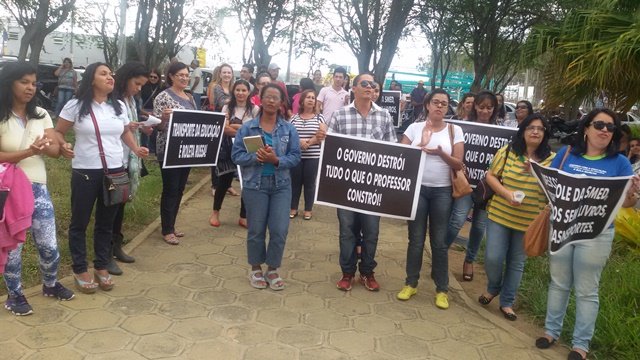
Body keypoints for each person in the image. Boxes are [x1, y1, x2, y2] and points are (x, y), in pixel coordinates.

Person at [535, 109, 639, 360]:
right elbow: (551, 187)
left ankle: (580, 345)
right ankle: (551, 331)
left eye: (611, 127)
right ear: (586, 128)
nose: (605, 130)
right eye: (599, 125)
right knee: (558, 282)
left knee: (586, 290)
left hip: (597, 235)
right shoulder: (567, 153)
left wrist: (631, 195)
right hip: (563, 227)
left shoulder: (620, 163)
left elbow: (623, 204)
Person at [55, 62, 149, 293]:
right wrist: (63, 144)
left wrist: (135, 149)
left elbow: (125, 130)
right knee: (80, 222)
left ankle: (100, 266)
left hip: (116, 170)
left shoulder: (117, 105)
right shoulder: (75, 105)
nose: (110, 77)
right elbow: (58, 131)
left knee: (106, 223)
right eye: (103, 73)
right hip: (86, 171)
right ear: (91, 78)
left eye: (111, 74)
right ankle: (80, 268)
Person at [0, 62, 75, 315]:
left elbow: (52, 150)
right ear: (9, 82)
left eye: (34, 83)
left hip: (37, 188)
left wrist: (60, 150)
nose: (30, 88)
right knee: (12, 248)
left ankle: (51, 284)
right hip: (8, 191)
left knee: (49, 245)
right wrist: (28, 151)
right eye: (24, 82)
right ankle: (15, 295)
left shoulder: (41, 114)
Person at [478, 113, 555, 321]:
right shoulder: (508, 151)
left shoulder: (552, 160)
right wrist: (507, 194)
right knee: (493, 257)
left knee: (516, 262)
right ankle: (493, 287)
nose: (535, 131)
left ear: (545, 133)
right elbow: (491, 176)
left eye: (540, 128)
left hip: (529, 221)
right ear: (523, 131)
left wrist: (537, 173)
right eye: (531, 127)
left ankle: (507, 302)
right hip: (500, 214)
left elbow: (555, 190)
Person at [396, 89, 464, 309]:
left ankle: (442, 289)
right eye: (436, 102)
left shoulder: (455, 130)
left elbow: (458, 164)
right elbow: (400, 156)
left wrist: (440, 153)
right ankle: (411, 283)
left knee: (439, 242)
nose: (439, 106)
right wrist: (420, 144)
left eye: (444, 104)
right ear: (427, 105)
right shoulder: (415, 128)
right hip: (417, 190)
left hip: (442, 191)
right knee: (415, 239)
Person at [328, 72, 396, 292]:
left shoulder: (384, 116)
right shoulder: (340, 115)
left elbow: (392, 151)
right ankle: (347, 273)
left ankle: (367, 272)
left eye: (373, 84)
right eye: (364, 83)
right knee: (347, 230)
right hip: (345, 187)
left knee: (372, 231)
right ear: (354, 89)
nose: (369, 87)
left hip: (373, 189)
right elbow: (330, 149)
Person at [231, 83, 301, 290]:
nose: (271, 101)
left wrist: (276, 160)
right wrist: (258, 158)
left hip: (281, 186)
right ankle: (255, 269)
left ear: (281, 103)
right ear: (260, 99)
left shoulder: (288, 128)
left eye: (275, 98)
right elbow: (236, 155)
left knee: (279, 229)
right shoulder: (247, 128)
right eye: (267, 97)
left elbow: (295, 156)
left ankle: (272, 269)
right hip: (255, 185)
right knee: (256, 229)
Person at [446, 91, 499, 281]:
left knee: (479, 226)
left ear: (494, 110)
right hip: (465, 182)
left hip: (487, 187)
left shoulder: (501, 131)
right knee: (457, 219)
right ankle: (441, 253)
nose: (485, 111)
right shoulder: (464, 128)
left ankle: (469, 260)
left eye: (489, 108)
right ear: (475, 106)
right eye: (482, 106)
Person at [107, 61, 151, 275]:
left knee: (120, 205)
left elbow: (128, 127)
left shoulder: (130, 100)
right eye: (137, 83)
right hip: (112, 160)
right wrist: (129, 129)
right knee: (110, 208)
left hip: (126, 160)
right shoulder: (111, 100)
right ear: (125, 79)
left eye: (142, 85)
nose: (139, 88)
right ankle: (105, 252)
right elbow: (112, 130)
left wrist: (140, 128)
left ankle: (117, 245)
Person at [153, 62, 197, 245]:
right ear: (171, 76)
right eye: (180, 75)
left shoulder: (190, 98)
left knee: (179, 189)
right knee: (170, 189)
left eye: (187, 75)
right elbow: (157, 127)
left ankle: (171, 224)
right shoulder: (162, 97)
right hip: (168, 151)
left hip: (186, 151)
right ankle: (166, 229)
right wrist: (163, 119)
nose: (184, 78)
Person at [209, 80, 259, 228]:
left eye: (244, 90)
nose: (240, 93)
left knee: (246, 182)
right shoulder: (227, 107)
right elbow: (224, 129)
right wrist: (243, 128)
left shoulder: (255, 109)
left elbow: (255, 130)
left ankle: (243, 216)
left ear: (248, 92)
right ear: (233, 91)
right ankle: (215, 213)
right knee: (224, 181)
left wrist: (236, 127)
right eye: (238, 90)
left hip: (247, 150)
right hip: (227, 149)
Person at [289, 89, 325, 220]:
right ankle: (293, 208)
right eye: (308, 97)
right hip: (296, 156)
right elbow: (288, 135)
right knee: (295, 183)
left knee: (310, 183)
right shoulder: (293, 118)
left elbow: (322, 134)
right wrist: (299, 142)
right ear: (302, 101)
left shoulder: (319, 117)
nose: (311, 100)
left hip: (313, 157)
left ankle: (308, 209)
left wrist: (308, 143)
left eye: (313, 98)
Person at [139, 68, 165, 153]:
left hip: (156, 111)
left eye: (155, 77)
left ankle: (154, 148)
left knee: (156, 131)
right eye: (151, 76)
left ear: (159, 78)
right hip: (145, 111)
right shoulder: (144, 86)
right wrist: (146, 113)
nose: (152, 79)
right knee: (145, 131)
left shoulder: (162, 87)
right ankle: (145, 147)